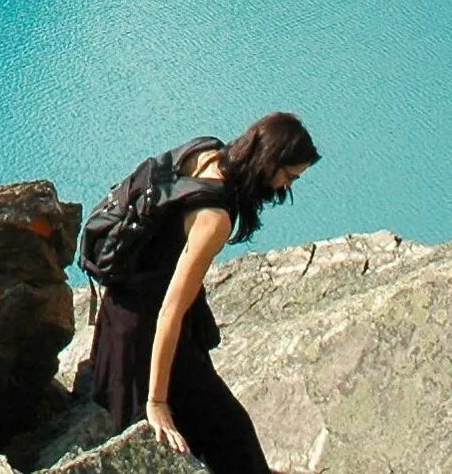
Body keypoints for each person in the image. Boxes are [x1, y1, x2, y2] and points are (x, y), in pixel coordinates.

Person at [90, 113, 323, 474]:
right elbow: (170, 311)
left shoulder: (205, 151)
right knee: (231, 439)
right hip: (144, 338)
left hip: (119, 312)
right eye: (288, 176)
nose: (284, 188)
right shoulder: (214, 218)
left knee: (219, 432)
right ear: (268, 161)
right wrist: (156, 401)